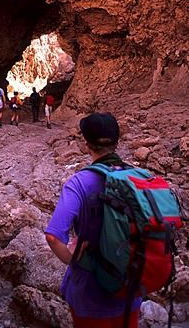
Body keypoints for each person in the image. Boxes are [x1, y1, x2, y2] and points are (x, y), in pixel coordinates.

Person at [45, 112, 142, 328]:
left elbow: (53, 236)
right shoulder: (138, 177)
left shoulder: (78, 183)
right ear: (118, 142)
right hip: (130, 288)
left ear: (86, 144)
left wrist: (71, 258)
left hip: (90, 292)